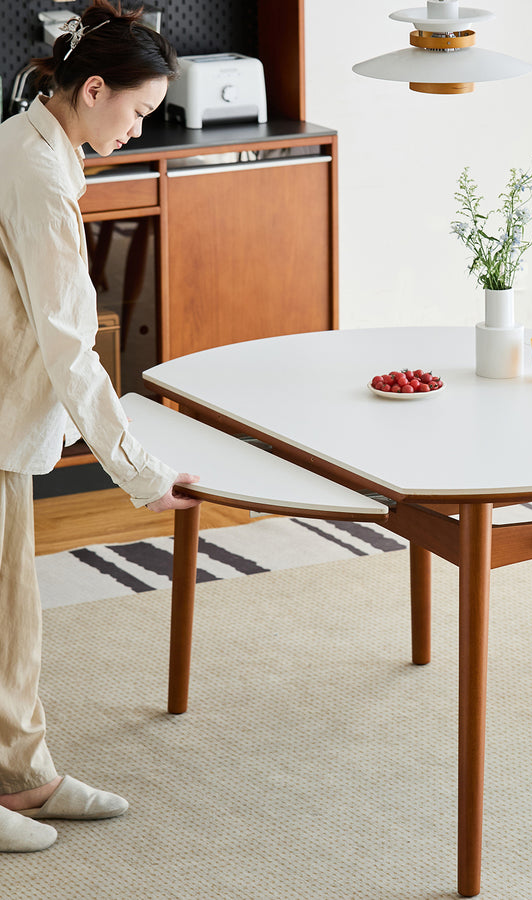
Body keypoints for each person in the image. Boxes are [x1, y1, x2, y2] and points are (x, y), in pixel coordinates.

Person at [0, 1, 199, 852]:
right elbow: (69, 341)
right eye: (138, 112)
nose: (139, 128)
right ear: (92, 88)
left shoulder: (29, 140)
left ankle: (26, 779)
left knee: (13, 612)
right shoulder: (39, 173)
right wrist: (140, 472)